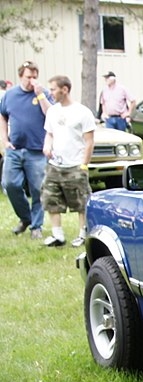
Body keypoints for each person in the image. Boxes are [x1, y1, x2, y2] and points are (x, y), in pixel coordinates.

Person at [40, 74, 94, 247]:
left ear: (65, 89)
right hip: (55, 166)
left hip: (75, 165)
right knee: (51, 199)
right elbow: (49, 134)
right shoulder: (52, 111)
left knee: (81, 202)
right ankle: (58, 236)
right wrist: (47, 146)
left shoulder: (82, 112)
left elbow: (89, 141)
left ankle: (83, 235)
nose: (51, 93)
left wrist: (84, 165)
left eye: (53, 89)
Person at [0, 60, 51, 238]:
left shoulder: (42, 93)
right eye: (29, 77)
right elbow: (3, 117)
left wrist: (41, 95)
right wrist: (4, 140)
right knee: (10, 184)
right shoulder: (10, 95)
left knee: (38, 189)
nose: (32, 80)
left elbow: (51, 115)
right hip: (14, 148)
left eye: (35, 77)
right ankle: (25, 217)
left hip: (36, 150)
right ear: (20, 76)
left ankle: (36, 226)